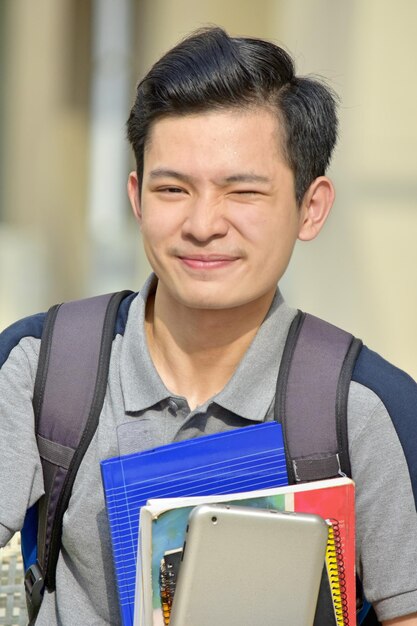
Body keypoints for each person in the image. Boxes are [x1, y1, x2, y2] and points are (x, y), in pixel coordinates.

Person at [1, 26, 416, 626]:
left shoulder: (367, 410)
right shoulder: (42, 368)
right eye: (173, 188)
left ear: (311, 206)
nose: (202, 224)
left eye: (242, 191)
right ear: (138, 198)